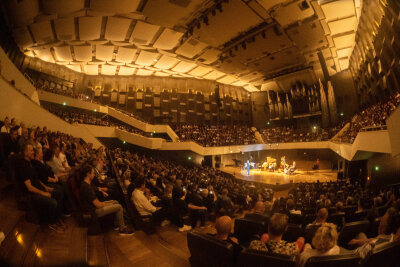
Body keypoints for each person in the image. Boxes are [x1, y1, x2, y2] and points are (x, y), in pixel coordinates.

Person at [16, 143, 65, 232]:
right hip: (32, 194)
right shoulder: (22, 166)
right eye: (31, 150)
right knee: (53, 202)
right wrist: (43, 193)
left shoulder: (30, 163)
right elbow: (29, 187)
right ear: (25, 152)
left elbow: (37, 180)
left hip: (40, 189)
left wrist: (46, 187)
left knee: (59, 193)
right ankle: (51, 223)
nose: (33, 152)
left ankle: (57, 218)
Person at [79, 164, 133, 235]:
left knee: (115, 201)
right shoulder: (87, 188)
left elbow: (96, 189)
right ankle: (122, 229)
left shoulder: (86, 183)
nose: (94, 174)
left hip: (94, 207)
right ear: (88, 174)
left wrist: (102, 191)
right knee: (119, 207)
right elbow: (98, 205)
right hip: (93, 211)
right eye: (92, 173)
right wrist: (108, 204)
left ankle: (117, 224)